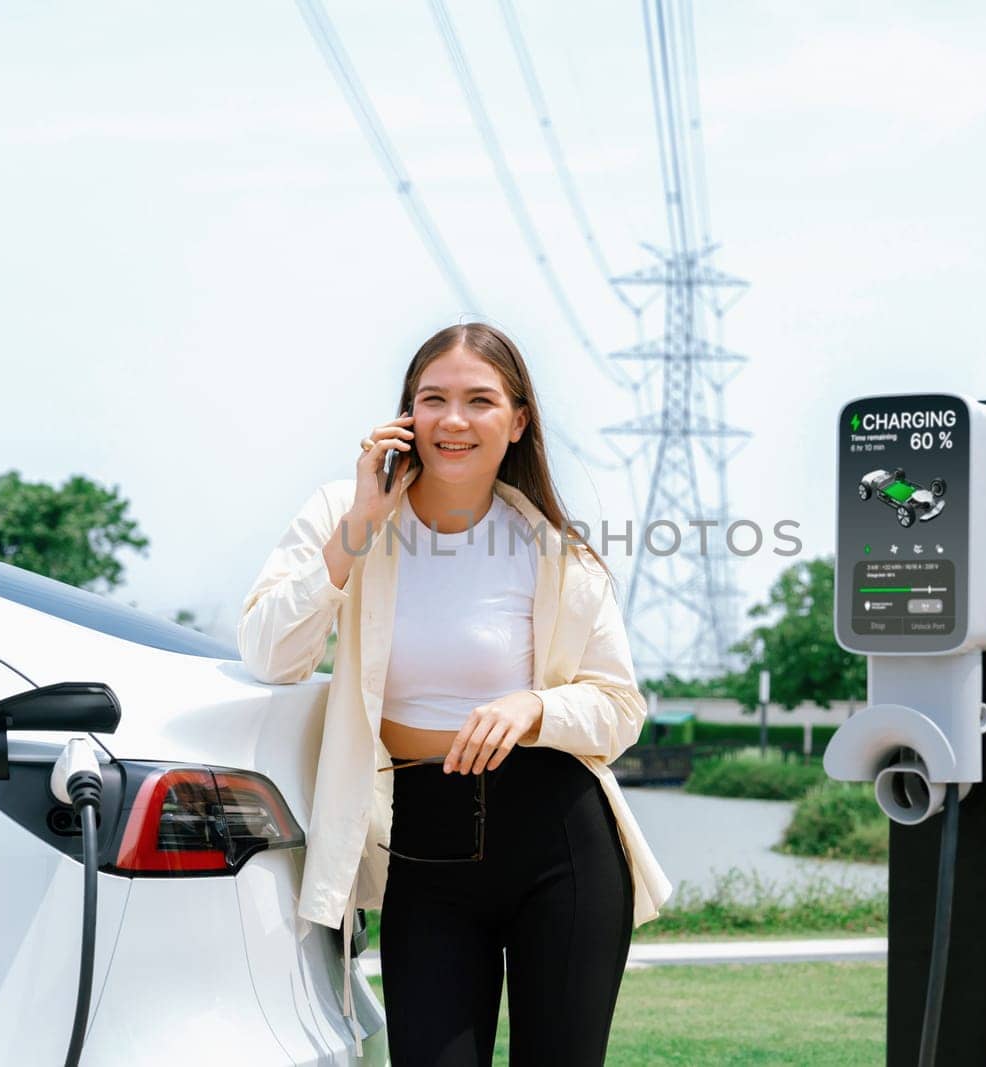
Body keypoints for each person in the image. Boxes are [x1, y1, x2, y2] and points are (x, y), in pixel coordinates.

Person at [237, 322, 672, 1065]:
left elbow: (619, 704)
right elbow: (271, 653)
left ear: (518, 420)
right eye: (432, 399)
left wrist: (534, 708)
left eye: (480, 399)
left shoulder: (557, 550)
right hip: (425, 842)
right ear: (406, 416)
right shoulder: (344, 516)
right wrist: (360, 526)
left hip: (560, 835)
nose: (454, 420)